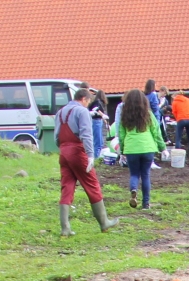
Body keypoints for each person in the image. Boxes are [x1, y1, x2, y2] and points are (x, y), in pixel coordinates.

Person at [54, 90, 119, 235]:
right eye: (88, 102)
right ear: (84, 99)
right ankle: (104, 223)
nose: (88, 104)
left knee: (67, 187)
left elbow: (56, 136)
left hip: (64, 152)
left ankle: (65, 228)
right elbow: (86, 134)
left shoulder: (60, 112)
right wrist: (90, 156)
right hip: (78, 151)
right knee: (92, 184)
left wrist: (64, 149)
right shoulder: (81, 111)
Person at [112, 87, 165, 209]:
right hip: (148, 148)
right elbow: (156, 132)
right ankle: (146, 204)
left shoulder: (125, 116)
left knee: (134, 174)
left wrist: (123, 150)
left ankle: (134, 190)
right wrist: (163, 147)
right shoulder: (148, 114)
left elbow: (121, 134)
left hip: (131, 149)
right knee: (145, 175)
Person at [89, 90, 108, 158]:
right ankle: (96, 157)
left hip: (97, 121)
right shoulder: (98, 102)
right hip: (96, 121)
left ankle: (97, 156)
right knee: (98, 142)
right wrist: (103, 116)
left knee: (100, 141)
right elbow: (97, 110)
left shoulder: (96, 101)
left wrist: (105, 122)